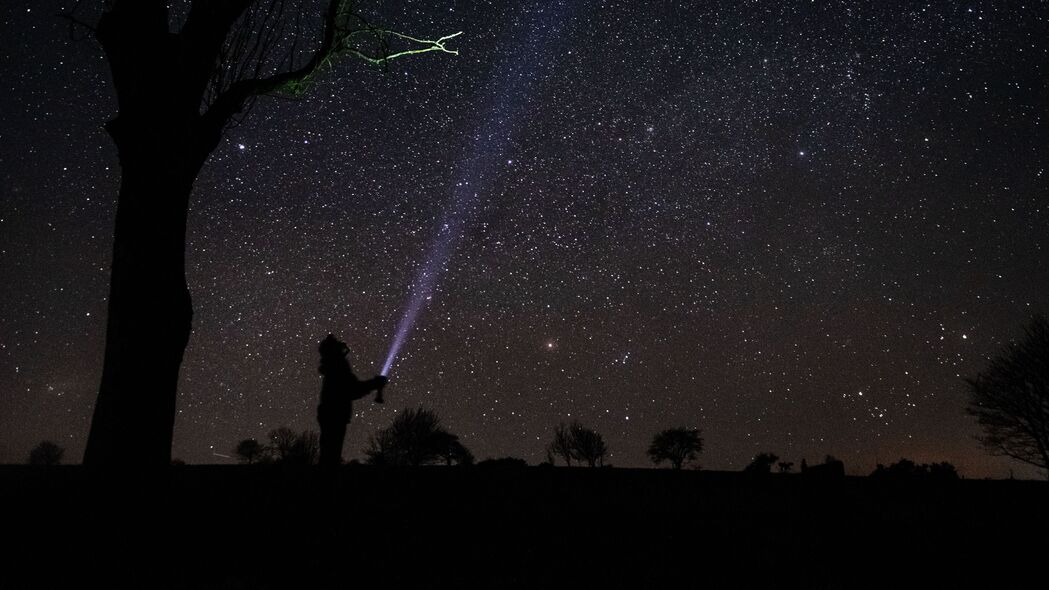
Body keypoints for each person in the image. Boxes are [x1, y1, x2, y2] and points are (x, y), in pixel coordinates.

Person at [316, 334, 387, 467]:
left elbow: (350, 390)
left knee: (327, 455)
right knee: (331, 457)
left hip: (329, 414)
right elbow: (352, 390)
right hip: (335, 415)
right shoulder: (338, 366)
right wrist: (374, 384)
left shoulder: (332, 366)